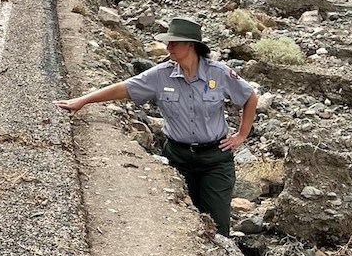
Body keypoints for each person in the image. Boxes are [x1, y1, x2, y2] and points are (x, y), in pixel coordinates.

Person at [55, 15, 258, 236]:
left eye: (173, 42)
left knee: (217, 226)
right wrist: (83, 100)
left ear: (190, 45)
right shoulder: (160, 75)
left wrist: (241, 135)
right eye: (167, 42)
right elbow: (123, 88)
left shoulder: (218, 73)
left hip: (215, 159)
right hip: (178, 157)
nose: (168, 47)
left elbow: (249, 97)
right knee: (182, 222)